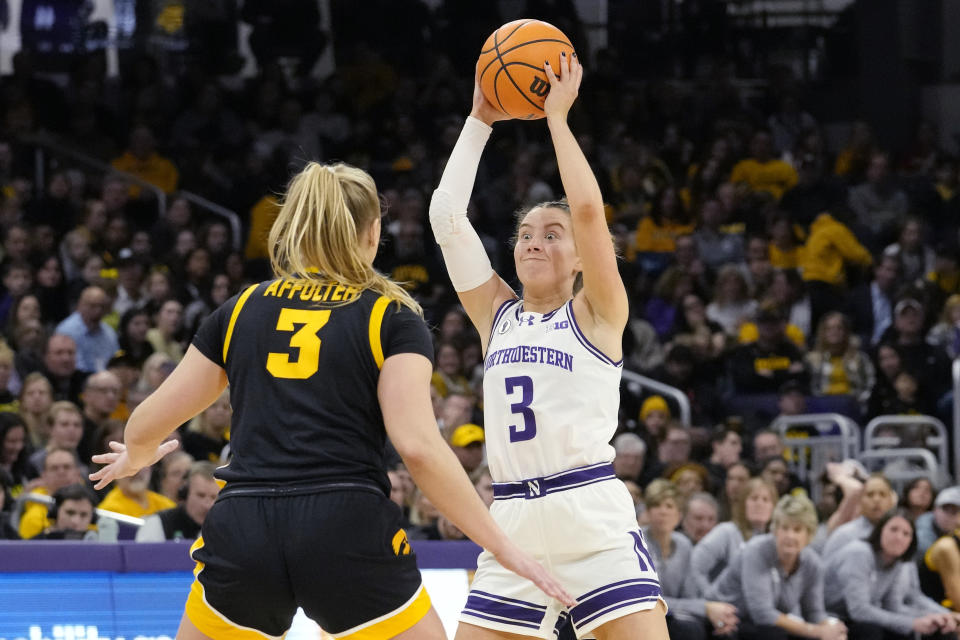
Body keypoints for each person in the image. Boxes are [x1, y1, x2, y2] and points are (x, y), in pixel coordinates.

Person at [90, 160, 570, 640]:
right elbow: (419, 448)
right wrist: (500, 543)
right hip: (345, 524)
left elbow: (145, 423)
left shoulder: (240, 308)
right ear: (372, 231)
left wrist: (137, 454)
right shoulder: (391, 315)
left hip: (245, 526)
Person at [428, 57, 667, 639]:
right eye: (525, 235)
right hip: (511, 518)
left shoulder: (598, 311)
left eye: (552, 235)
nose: (534, 243)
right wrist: (480, 119)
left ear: (583, 256)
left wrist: (557, 119)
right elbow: (446, 216)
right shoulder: (496, 315)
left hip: (588, 515)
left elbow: (587, 211)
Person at [708, 494, 846, 640]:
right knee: (777, 634)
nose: (790, 536)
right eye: (784, 528)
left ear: (809, 534)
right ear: (775, 530)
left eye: (797, 530)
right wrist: (816, 631)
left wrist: (832, 628)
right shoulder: (756, 550)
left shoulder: (812, 563)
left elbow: (813, 612)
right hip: (726, 618)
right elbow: (762, 613)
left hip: (762, 624)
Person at [825, 510, 956, 640]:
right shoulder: (859, 553)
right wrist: (913, 623)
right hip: (832, 616)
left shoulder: (897, 560)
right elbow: (859, 610)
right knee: (872, 631)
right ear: (880, 531)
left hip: (863, 617)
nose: (899, 537)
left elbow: (893, 606)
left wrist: (941, 617)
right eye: (893, 529)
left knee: (937, 629)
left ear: (911, 541)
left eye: (906, 534)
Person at [642, 480, 738, 640]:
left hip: (678, 613)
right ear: (647, 512)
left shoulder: (684, 545)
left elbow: (690, 595)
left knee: (726, 628)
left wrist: (712, 613)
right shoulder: (637, 543)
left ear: (679, 515)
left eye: (669, 506)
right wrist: (705, 608)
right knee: (689, 630)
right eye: (656, 506)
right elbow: (650, 599)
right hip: (647, 614)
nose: (662, 511)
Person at [689, 478, 779, 597]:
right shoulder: (727, 531)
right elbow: (695, 565)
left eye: (766, 499)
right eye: (754, 498)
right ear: (743, 504)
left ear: (774, 507)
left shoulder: (775, 539)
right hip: (726, 610)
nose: (759, 504)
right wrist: (709, 600)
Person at [137, 462, 220, 541]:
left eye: (213, 497)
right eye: (201, 495)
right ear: (185, 493)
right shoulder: (157, 524)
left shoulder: (227, 527)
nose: (207, 505)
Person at [822, 474, 898, 561]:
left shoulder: (901, 535)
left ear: (891, 501)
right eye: (870, 494)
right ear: (860, 501)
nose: (876, 499)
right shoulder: (843, 535)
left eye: (882, 494)